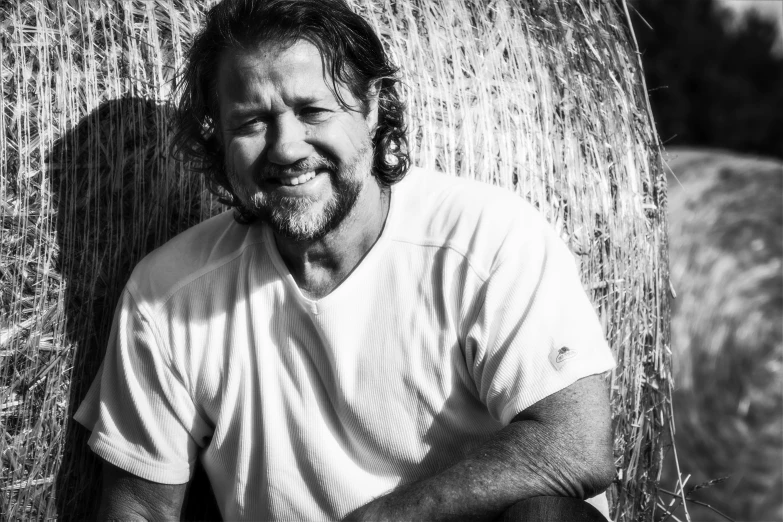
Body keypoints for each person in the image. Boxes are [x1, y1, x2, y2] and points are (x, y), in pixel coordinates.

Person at [74, 0, 617, 520]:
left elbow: (575, 446)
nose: (286, 148)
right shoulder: (166, 297)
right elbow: (139, 510)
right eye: (251, 123)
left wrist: (385, 519)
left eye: (312, 110)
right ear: (217, 138)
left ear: (373, 106)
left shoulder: (486, 241)